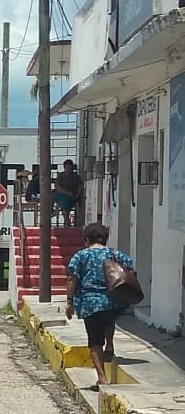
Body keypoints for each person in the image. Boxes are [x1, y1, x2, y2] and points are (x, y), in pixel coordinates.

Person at [65, 222, 134, 390]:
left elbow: (72, 279)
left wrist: (70, 301)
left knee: (95, 341)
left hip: (91, 303)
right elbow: (129, 268)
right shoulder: (115, 254)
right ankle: (109, 345)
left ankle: (102, 378)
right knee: (109, 320)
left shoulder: (80, 256)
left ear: (87, 239)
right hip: (114, 302)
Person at [55, 159, 83, 226]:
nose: (69, 169)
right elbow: (58, 187)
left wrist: (77, 195)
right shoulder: (60, 176)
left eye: (70, 167)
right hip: (62, 195)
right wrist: (67, 193)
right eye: (67, 167)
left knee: (75, 201)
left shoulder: (76, 176)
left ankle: (74, 221)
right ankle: (66, 220)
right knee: (65, 201)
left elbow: (80, 187)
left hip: (74, 196)